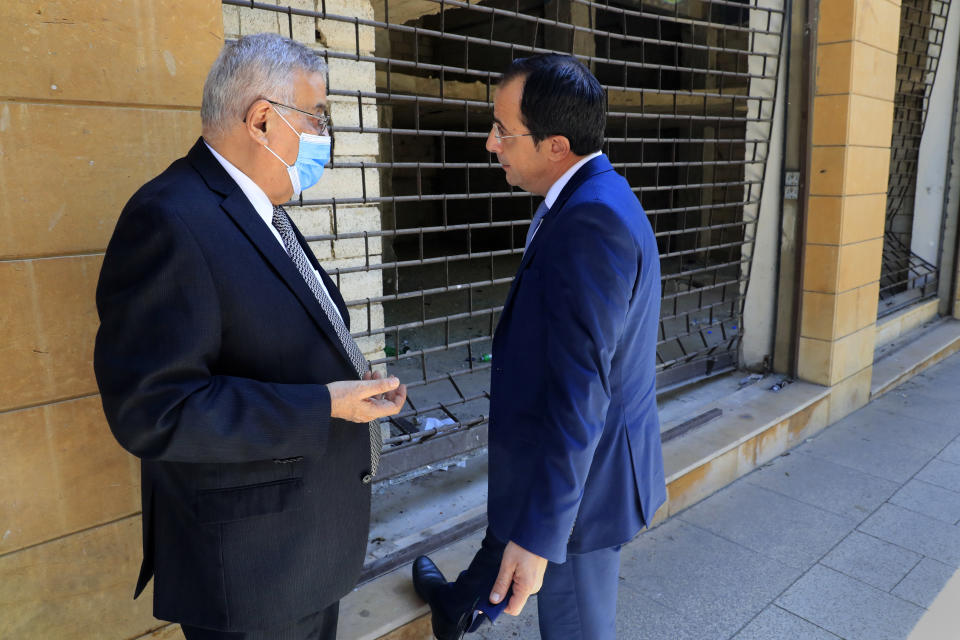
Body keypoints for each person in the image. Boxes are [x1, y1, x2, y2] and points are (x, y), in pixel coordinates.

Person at [93, 33, 406, 640]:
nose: (324, 135)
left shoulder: (263, 211)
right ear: (262, 119)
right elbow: (154, 410)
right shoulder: (170, 217)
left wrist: (348, 383)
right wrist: (324, 405)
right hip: (251, 575)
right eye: (315, 115)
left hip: (303, 556)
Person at [411, 54, 666, 640]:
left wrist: (542, 536)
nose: (489, 143)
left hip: (579, 493)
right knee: (500, 544)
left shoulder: (590, 225)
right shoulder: (596, 193)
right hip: (548, 463)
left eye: (503, 130)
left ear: (555, 146)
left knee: (575, 625)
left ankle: (464, 602)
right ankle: (456, 606)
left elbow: (583, 394)